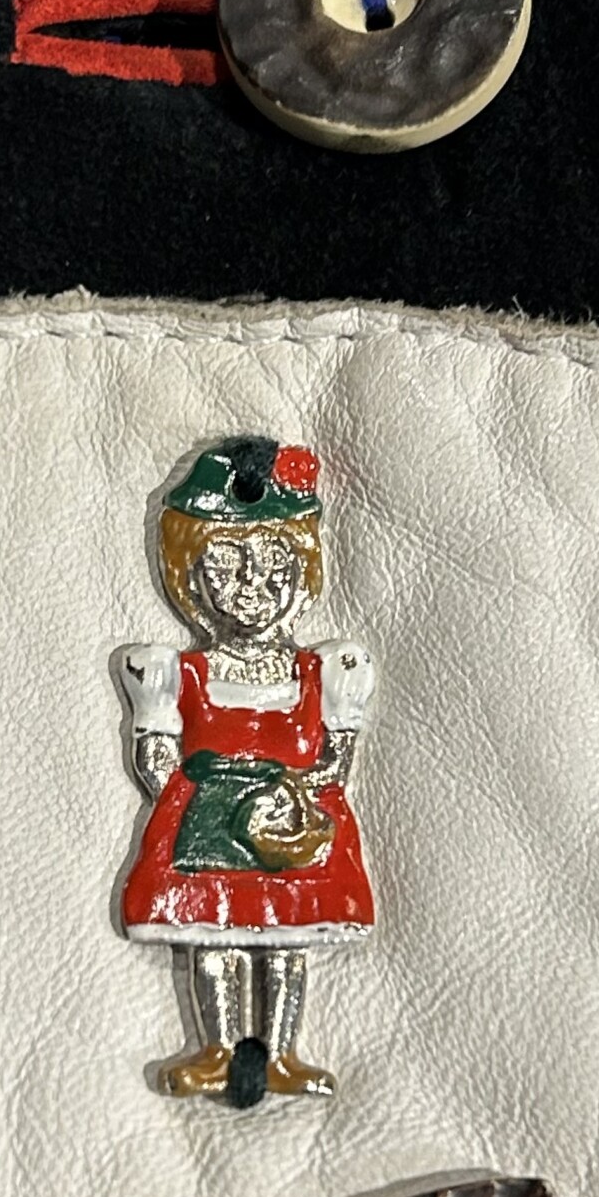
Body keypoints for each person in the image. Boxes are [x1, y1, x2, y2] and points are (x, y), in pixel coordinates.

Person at [118, 437, 375, 1105]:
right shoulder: (179, 672)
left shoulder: (324, 671)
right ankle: (217, 1048)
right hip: (208, 824)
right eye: (226, 567)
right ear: (192, 578)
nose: (252, 587)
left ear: (303, 568)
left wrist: (300, 794)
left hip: (293, 827)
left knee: (287, 944)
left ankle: (281, 1053)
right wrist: (189, 785)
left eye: (272, 565)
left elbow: (335, 760)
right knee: (214, 940)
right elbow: (156, 760)